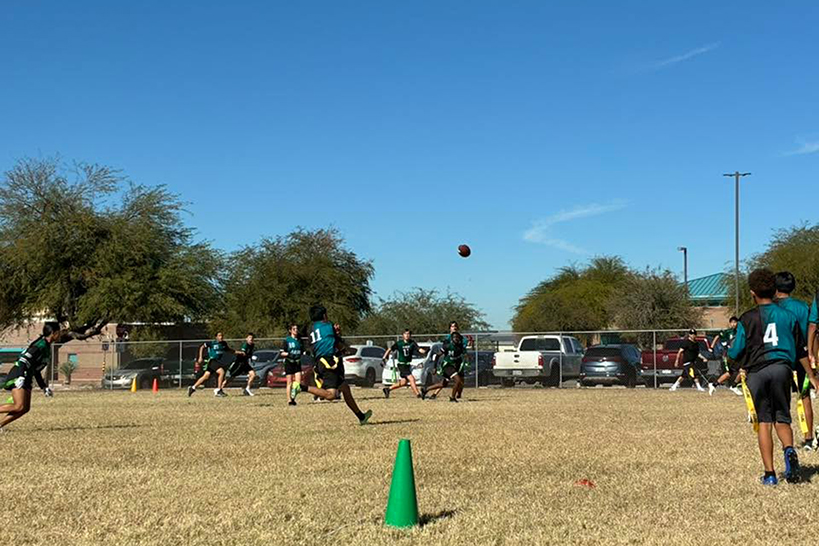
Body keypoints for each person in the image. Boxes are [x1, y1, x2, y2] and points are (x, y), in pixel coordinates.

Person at [729, 268, 819, 485]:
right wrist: (812, 376)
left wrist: (735, 367)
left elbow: (735, 351)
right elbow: (800, 351)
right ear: (773, 289)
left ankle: (770, 474)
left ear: (752, 292)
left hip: (757, 371)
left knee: (764, 421)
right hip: (782, 369)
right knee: (782, 417)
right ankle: (789, 450)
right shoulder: (788, 316)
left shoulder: (747, 318)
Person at [290, 305, 372, 424]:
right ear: (324, 315)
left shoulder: (311, 329)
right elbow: (338, 343)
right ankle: (301, 387)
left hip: (320, 362)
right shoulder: (328, 326)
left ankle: (361, 417)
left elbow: (324, 342)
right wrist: (339, 335)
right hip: (329, 362)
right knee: (331, 395)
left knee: (345, 388)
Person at [774, 271, 816, 449]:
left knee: (780, 398)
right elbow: (810, 331)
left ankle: (786, 440)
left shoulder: (773, 308)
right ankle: (808, 437)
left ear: (775, 289)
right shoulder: (802, 307)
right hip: (801, 356)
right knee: (804, 395)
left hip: (780, 356)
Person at [0, 322, 60, 432]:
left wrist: (44, 387)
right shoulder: (40, 345)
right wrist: (21, 376)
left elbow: (36, 370)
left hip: (27, 376)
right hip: (19, 374)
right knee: (18, 406)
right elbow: (23, 360)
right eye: (59, 333)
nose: (60, 335)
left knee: (24, 408)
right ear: (54, 333)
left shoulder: (47, 347)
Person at [422, 331, 469, 402]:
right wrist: (434, 367)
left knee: (443, 384)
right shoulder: (448, 346)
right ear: (452, 339)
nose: (456, 339)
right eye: (454, 337)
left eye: (458, 338)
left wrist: (467, 361)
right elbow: (437, 355)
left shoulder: (460, 347)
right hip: (447, 366)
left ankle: (425, 390)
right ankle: (453, 398)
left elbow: (465, 355)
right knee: (458, 380)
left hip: (455, 366)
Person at [382, 329, 427, 399]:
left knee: (403, 382)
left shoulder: (412, 343)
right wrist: (384, 357)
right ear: (403, 335)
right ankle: (418, 395)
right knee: (412, 379)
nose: (407, 335)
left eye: (408, 334)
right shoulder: (399, 343)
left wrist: (424, 351)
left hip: (407, 364)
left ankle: (387, 389)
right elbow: (390, 349)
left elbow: (419, 349)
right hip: (402, 365)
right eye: (405, 334)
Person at [187, 332, 235, 397]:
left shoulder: (223, 344)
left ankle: (192, 388)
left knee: (206, 376)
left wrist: (239, 352)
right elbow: (202, 347)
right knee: (222, 372)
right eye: (219, 336)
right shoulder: (212, 343)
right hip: (213, 361)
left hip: (218, 362)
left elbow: (229, 350)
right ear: (216, 337)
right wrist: (200, 357)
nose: (221, 337)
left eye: (222, 336)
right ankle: (218, 390)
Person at [708, 317, 743, 396]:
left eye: (735, 322)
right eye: (732, 322)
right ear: (730, 323)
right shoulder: (728, 332)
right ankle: (734, 386)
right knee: (743, 370)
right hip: (731, 355)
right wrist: (712, 346)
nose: (734, 324)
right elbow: (717, 336)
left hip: (738, 355)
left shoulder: (740, 332)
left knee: (731, 373)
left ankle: (714, 385)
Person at [280, 324, 303, 406]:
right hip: (289, 362)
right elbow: (282, 352)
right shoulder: (287, 340)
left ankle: (293, 397)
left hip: (297, 362)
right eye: (294, 329)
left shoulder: (300, 340)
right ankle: (289, 400)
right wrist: (289, 354)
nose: (296, 330)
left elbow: (302, 351)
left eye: (297, 328)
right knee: (289, 382)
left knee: (298, 384)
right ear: (290, 330)